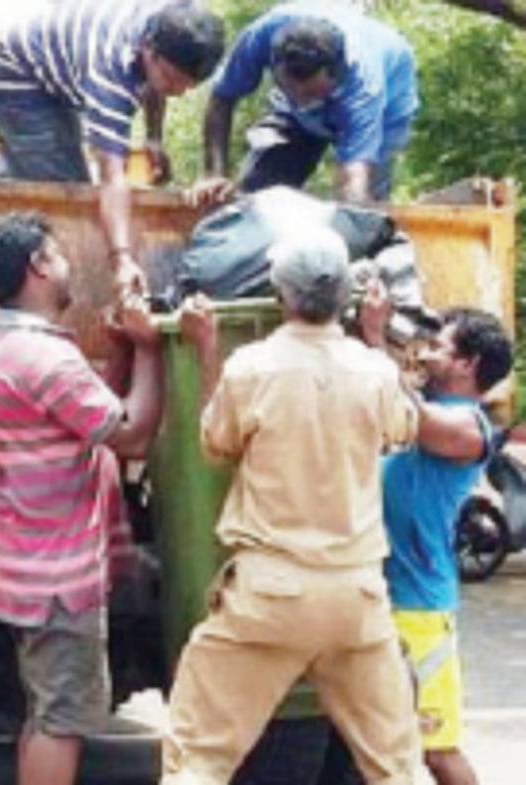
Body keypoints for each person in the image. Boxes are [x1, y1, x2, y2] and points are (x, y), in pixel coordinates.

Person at [161, 227, 421, 785]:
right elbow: (402, 428)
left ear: (281, 295)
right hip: (356, 598)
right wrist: (376, 338)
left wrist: (206, 350)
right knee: (397, 767)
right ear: (346, 300)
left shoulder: (251, 367)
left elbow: (216, 444)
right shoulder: (374, 371)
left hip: (270, 597)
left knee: (200, 758)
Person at [0, 211, 165, 785]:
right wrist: (152, 350)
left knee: (46, 713)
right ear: (37, 266)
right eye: (58, 255)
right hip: (57, 577)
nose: (67, 265)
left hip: (27, 568)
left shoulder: (10, 346)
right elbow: (128, 432)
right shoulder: (44, 357)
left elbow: (84, 418)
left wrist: (122, 355)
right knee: (62, 720)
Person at [360, 289, 513, 785]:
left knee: (437, 750)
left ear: (468, 365)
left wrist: (375, 336)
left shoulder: (469, 427)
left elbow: (414, 418)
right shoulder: (425, 401)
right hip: (380, 596)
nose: (426, 351)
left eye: (440, 347)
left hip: (420, 609)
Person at [0, 1, 225, 300]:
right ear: (148, 48)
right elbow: (113, 178)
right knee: (66, 190)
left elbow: (155, 83)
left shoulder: (174, 22)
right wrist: (121, 259)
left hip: (55, 66)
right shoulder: (110, 71)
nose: (178, 92)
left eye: (188, 86)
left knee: (42, 172)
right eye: (173, 80)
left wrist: (154, 138)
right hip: (15, 76)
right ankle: (31, 288)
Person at [192, 1, 417, 205]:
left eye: (309, 92)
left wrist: (353, 218)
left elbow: (354, 176)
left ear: (335, 75)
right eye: (290, 87)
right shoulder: (261, 36)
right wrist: (215, 173)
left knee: (365, 208)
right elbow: (222, 98)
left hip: (389, 106)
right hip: (291, 111)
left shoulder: (364, 87)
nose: (301, 99)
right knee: (257, 192)